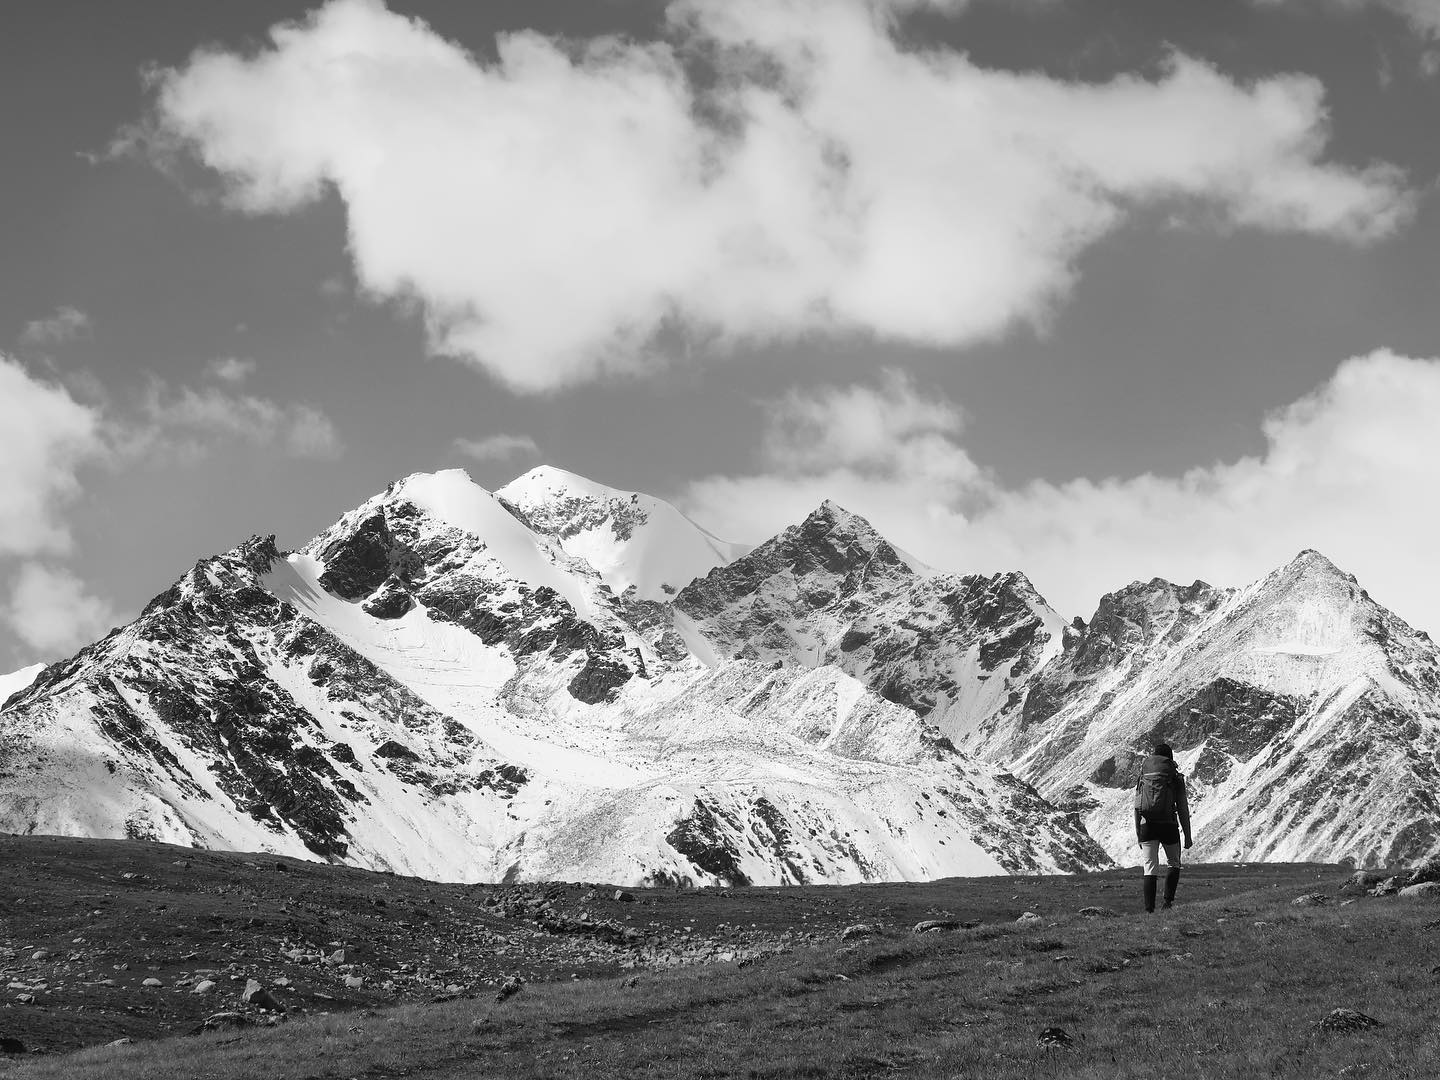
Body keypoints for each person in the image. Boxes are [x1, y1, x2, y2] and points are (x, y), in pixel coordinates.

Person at [1134, 742, 1192, 912]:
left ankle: (1149, 909)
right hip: (1168, 824)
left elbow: (1137, 807)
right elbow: (1182, 808)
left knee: (1150, 865)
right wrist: (1187, 836)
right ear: (1170, 758)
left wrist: (1138, 833)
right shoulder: (1174, 777)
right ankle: (1167, 903)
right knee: (1173, 862)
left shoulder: (1144, 776)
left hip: (1147, 825)